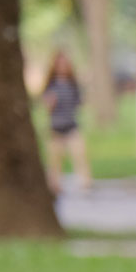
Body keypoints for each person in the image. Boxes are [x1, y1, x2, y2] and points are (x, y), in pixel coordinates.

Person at [39, 51, 91, 194]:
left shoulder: (73, 84)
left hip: (71, 126)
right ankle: (54, 186)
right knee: (55, 160)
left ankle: (85, 184)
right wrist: (49, 102)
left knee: (80, 154)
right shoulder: (51, 85)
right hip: (56, 128)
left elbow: (79, 102)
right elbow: (45, 103)